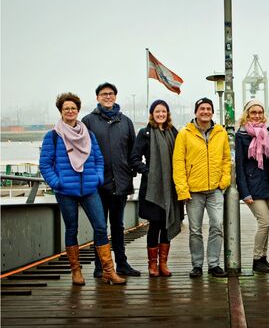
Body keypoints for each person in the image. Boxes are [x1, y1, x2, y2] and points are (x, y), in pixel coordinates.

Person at [39, 92, 126, 285]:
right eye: (66, 108)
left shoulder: (88, 134)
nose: (70, 111)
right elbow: (45, 164)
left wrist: (96, 178)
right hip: (65, 191)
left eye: (73, 108)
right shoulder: (53, 136)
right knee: (71, 229)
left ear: (78, 110)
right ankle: (76, 271)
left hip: (89, 189)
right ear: (61, 112)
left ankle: (108, 271)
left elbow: (98, 158)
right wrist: (57, 183)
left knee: (101, 227)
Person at [82, 82, 140, 277]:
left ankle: (122, 263)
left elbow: (133, 150)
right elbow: (82, 151)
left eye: (111, 94)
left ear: (115, 96)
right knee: (100, 225)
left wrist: (131, 170)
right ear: (97, 97)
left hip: (121, 182)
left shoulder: (126, 122)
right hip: (97, 183)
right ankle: (101, 266)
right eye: (103, 94)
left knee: (118, 225)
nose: (107, 97)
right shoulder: (88, 121)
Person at [173, 97, 231, 278]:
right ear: (196, 112)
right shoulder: (185, 133)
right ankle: (197, 264)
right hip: (193, 192)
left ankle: (214, 264)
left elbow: (226, 159)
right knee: (195, 230)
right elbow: (178, 162)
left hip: (215, 190)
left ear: (212, 112)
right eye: (202, 109)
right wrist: (182, 189)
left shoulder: (220, 132)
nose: (205, 112)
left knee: (217, 226)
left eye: (208, 109)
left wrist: (224, 181)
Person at [130, 100, 184, 277]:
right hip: (153, 189)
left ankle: (164, 264)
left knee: (167, 224)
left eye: (163, 111)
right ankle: (152, 265)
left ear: (168, 114)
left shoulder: (173, 132)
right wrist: (148, 172)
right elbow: (135, 158)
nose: (160, 114)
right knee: (155, 226)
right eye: (157, 111)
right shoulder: (145, 133)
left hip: (171, 187)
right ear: (152, 114)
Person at [235, 99, 269, 273]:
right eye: (253, 112)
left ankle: (263, 259)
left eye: (260, 112)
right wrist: (244, 191)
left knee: (267, 223)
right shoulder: (241, 136)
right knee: (265, 222)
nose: (257, 115)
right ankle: (256, 258)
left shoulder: (267, 133)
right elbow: (239, 166)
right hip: (252, 187)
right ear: (247, 114)